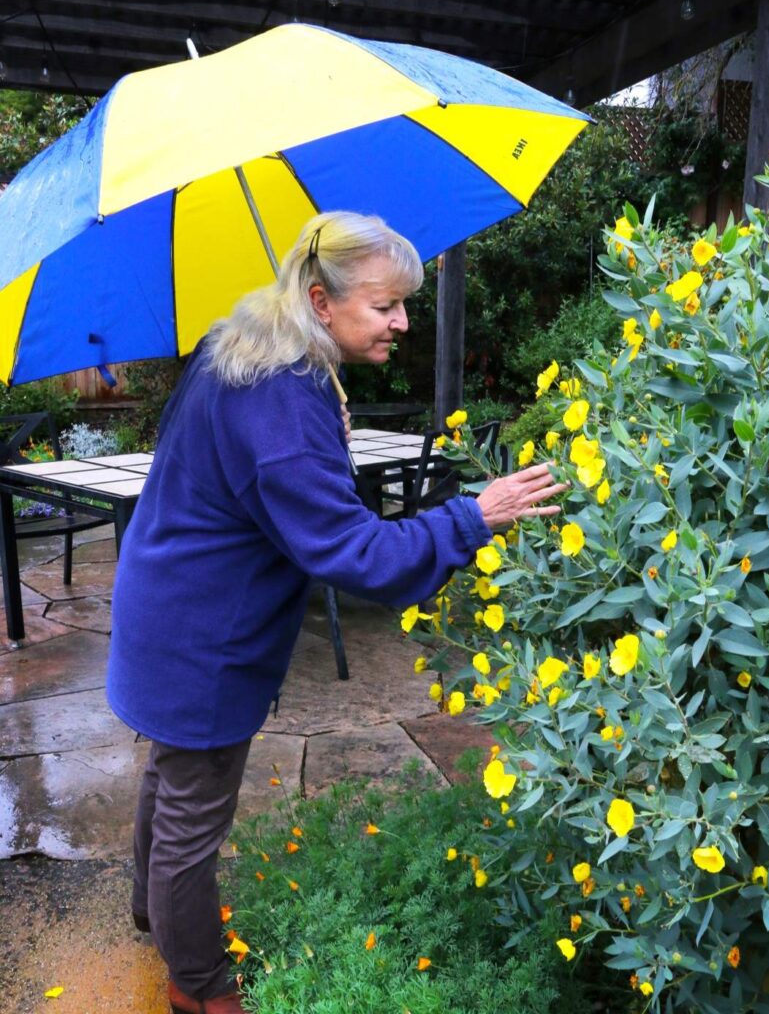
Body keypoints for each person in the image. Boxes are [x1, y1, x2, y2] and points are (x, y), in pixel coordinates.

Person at [106, 211, 565, 1014]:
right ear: (320, 300)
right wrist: (472, 515)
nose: (402, 322)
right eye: (385, 306)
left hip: (170, 601)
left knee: (174, 774)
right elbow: (360, 558)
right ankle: (199, 988)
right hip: (202, 635)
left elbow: (267, 481)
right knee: (192, 809)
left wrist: (322, 427)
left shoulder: (247, 355)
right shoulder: (281, 396)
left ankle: (155, 915)